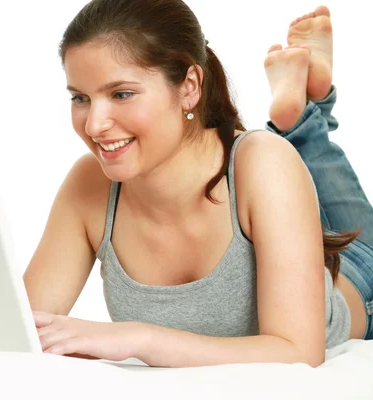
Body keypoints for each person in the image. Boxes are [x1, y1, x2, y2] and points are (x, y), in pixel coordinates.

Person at [23, 0, 373, 368]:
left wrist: (138, 337)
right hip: (283, 210)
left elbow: (297, 352)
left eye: (121, 94)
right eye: (80, 98)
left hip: (359, 275)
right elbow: (19, 329)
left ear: (189, 86)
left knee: (294, 157)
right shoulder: (88, 185)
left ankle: (303, 120)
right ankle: (301, 108)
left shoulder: (264, 163)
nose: (94, 125)